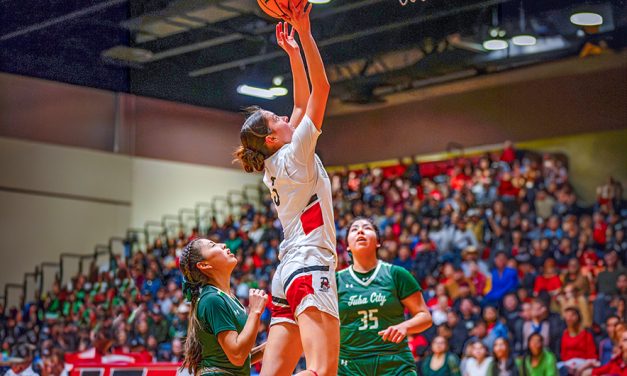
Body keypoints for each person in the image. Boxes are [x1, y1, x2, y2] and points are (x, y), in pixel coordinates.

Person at [233, 4, 338, 375]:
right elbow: (320, 90)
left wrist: (293, 54)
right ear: (272, 138)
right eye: (276, 119)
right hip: (311, 265)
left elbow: (298, 101)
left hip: (287, 274)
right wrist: (306, 34)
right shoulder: (295, 155)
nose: (283, 116)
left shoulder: (275, 161)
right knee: (321, 372)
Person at [337, 218, 432, 375]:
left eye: (367, 228)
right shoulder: (336, 281)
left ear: (378, 242)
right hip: (350, 366)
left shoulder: (397, 274)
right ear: (347, 245)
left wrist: (404, 326)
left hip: (394, 362)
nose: (360, 231)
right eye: (354, 229)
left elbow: (425, 317)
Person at [179, 238, 267, 376]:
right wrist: (255, 312)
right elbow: (237, 356)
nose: (223, 244)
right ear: (204, 265)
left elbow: (239, 357)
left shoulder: (228, 298)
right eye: (213, 245)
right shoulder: (212, 300)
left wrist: (273, 345)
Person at [558, 308, 597, 375]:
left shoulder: (586, 334)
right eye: (567, 316)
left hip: (584, 364)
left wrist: (581, 368)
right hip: (567, 365)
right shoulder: (564, 335)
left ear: (578, 317)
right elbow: (563, 354)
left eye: (572, 315)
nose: (569, 318)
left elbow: (592, 355)